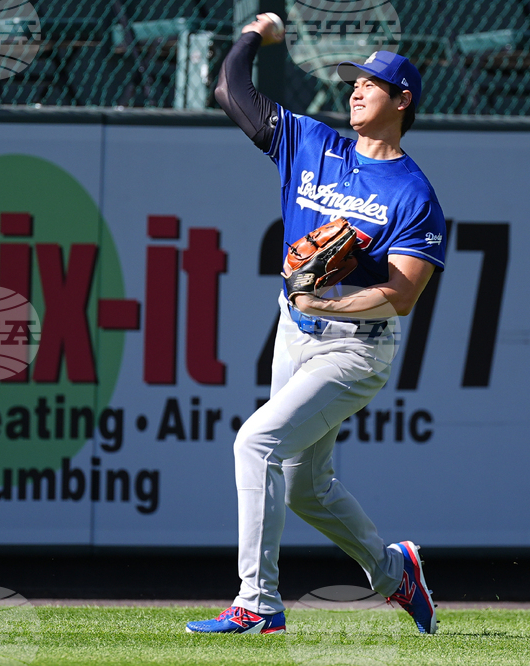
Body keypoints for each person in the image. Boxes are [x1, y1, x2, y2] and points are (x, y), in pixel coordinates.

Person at [185, 13, 447, 635]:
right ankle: (394, 573)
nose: (355, 89)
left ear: (402, 100)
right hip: (294, 331)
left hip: (356, 350)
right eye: (353, 81)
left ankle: (258, 603)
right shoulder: (313, 143)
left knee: (255, 443)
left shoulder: (415, 195)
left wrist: (321, 302)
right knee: (305, 486)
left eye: (370, 84)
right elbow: (231, 90)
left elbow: (402, 295)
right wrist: (255, 35)